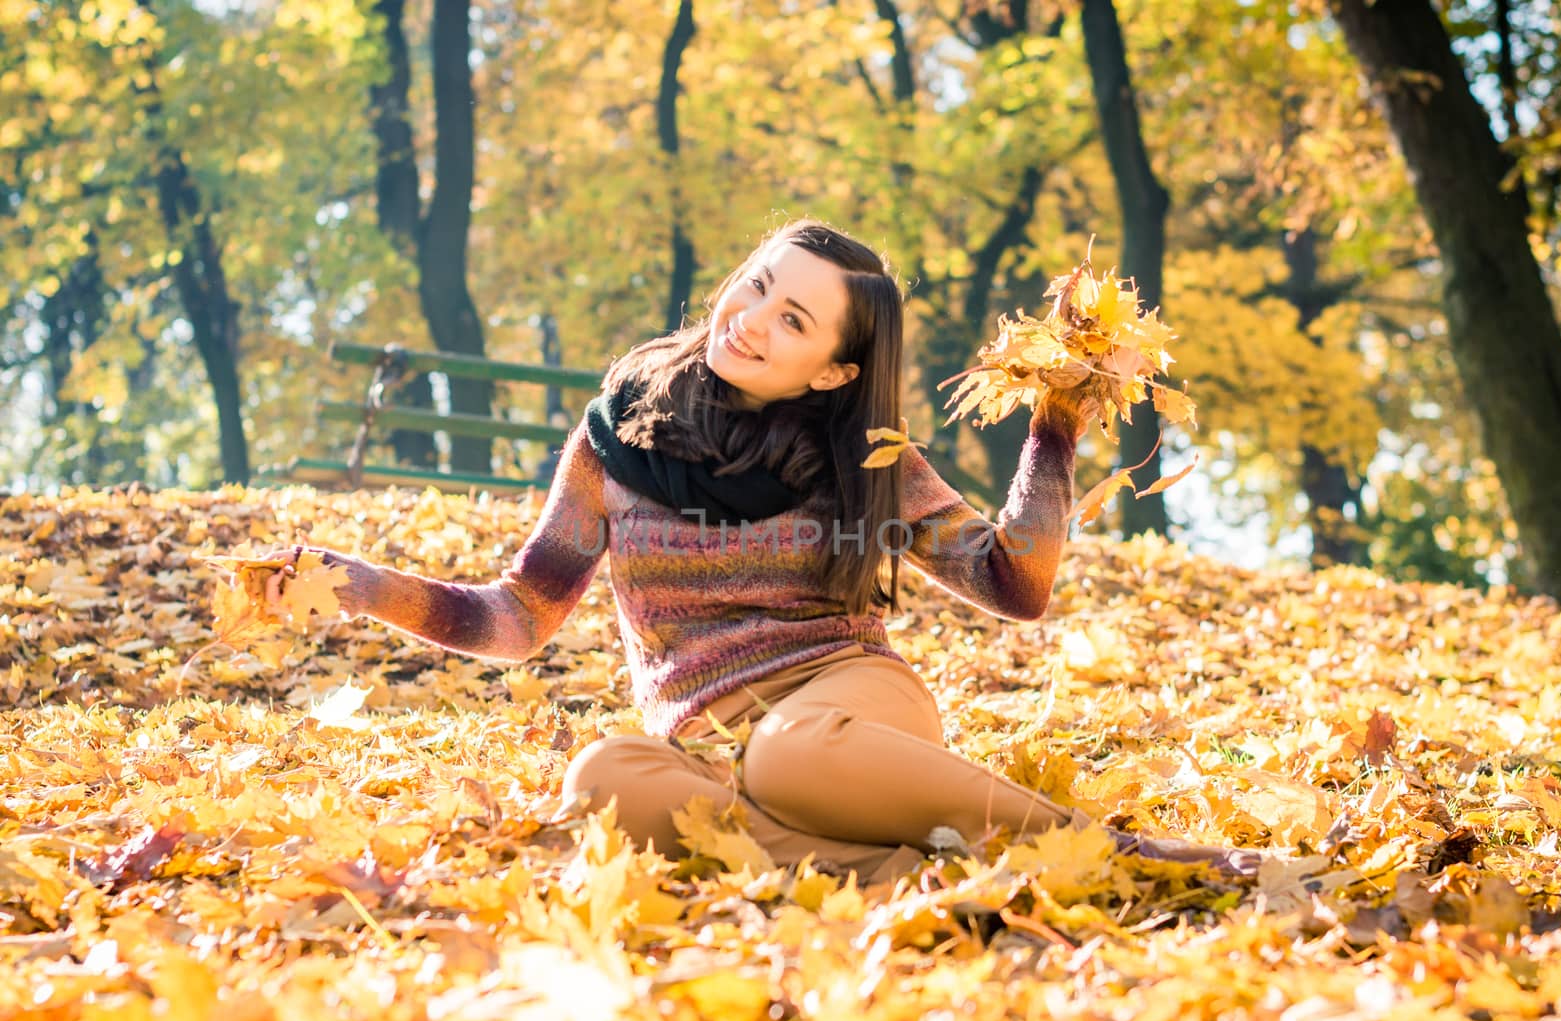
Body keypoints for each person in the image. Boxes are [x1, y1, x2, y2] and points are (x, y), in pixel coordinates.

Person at [271, 220, 1259, 884]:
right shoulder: (615, 441)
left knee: (792, 751)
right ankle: (906, 873)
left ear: (833, 367)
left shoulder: (862, 455)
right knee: (603, 782)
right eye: (755, 286)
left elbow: (1014, 585)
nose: (749, 319)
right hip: (707, 744)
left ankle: (1112, 850)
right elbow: (516, 617)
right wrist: (360, 585)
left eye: (791, 319)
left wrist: (1053, 427)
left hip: (845, 701)